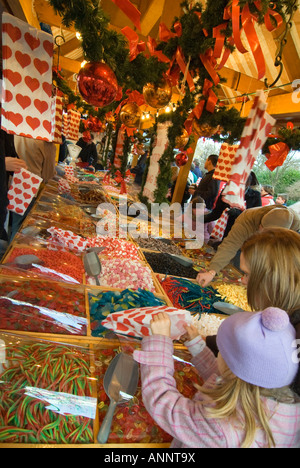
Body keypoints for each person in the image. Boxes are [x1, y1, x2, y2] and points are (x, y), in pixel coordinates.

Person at [133, 305, 300, 447]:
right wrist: (196, 345)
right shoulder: (285, 407)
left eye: (221, 351)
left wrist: (159, 342)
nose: (218, 353)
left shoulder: (220, 426)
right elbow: (224, 377)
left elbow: (163, 402)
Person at [196, 204, 300, 287]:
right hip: (244, 249)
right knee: (240, 266)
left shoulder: (295, 224)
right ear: (260, 225)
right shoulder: (247, 219)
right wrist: (212, 271)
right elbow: (229, 246)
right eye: (263, 230)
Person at [205, 171, 262, 244]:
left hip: (242, 236)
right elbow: (216, 213)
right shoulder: (226, 192)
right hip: (225, 233)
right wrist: (199, 218)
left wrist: (238, 213)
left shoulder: (255, 196)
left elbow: (255, 217)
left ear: (248, 183)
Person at [0, 129, 27, 258]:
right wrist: (3, 163)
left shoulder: (7, 128)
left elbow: (11, 155)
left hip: (3, 202)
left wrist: (17, 165)